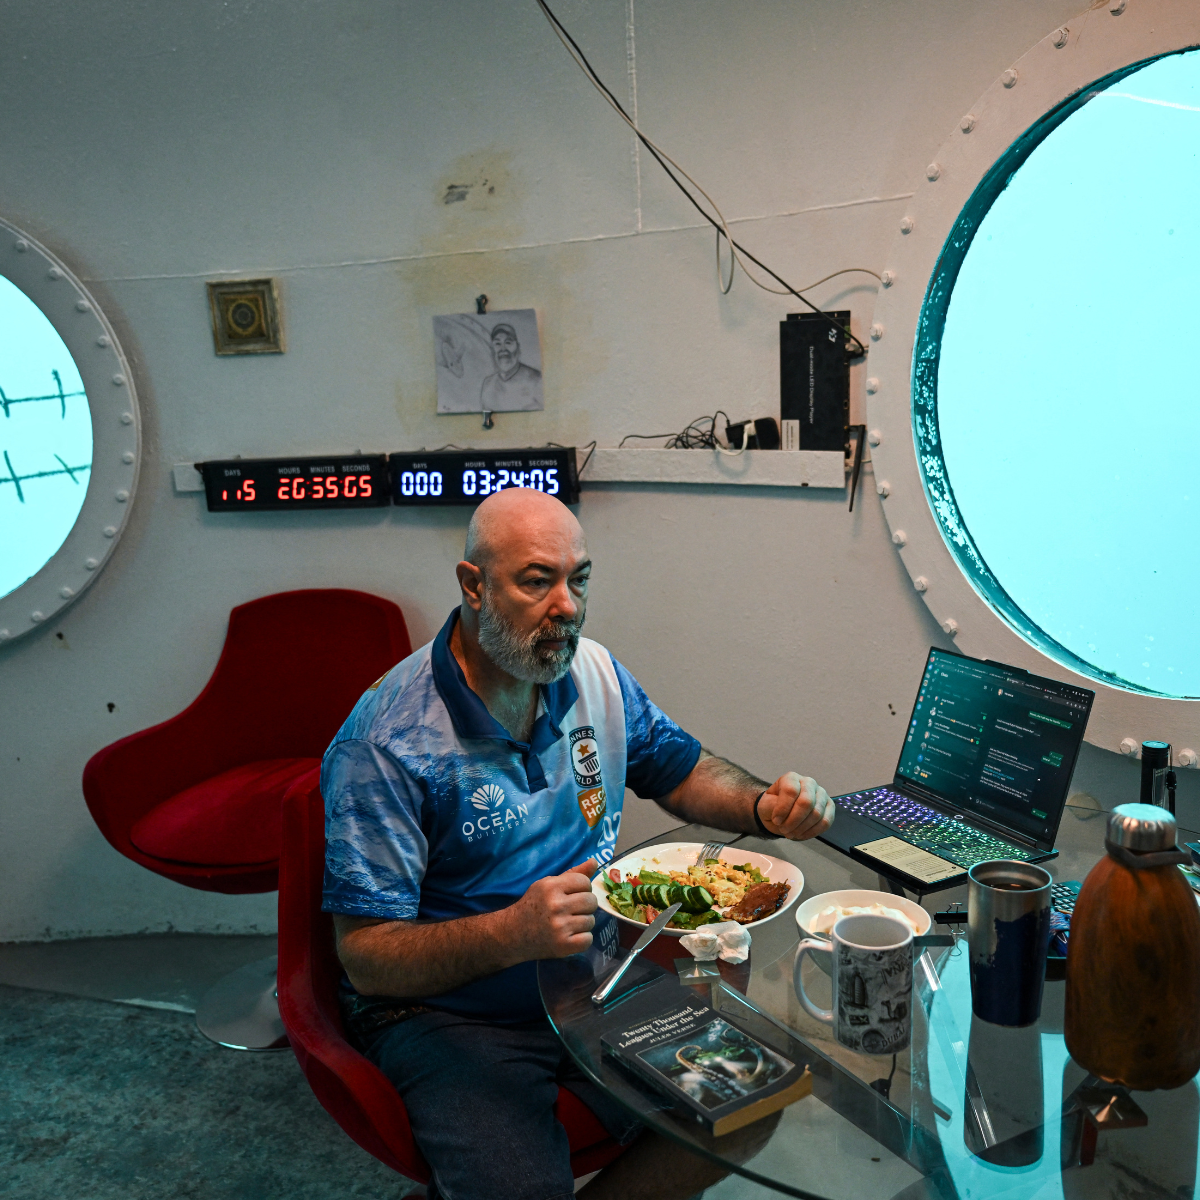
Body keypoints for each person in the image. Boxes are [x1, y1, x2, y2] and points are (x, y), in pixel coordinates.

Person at [322, 487, 834, 1200]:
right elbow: (368, 959)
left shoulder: (588, 671)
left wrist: (762, 805)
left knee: (749, 1101)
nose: (568, 605)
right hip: (451, 1013)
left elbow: (681, 769)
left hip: (598, 975)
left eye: (580, 578)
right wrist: (511, 934)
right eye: (537, 581)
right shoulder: (386, 740)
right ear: (473, 586)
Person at [479, 322, 542, 410]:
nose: (503, 349)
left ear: (518, 347)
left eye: (508, 342)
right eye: (497, 344)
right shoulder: (488, 385)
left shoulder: (536, 380)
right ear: (492, 350)